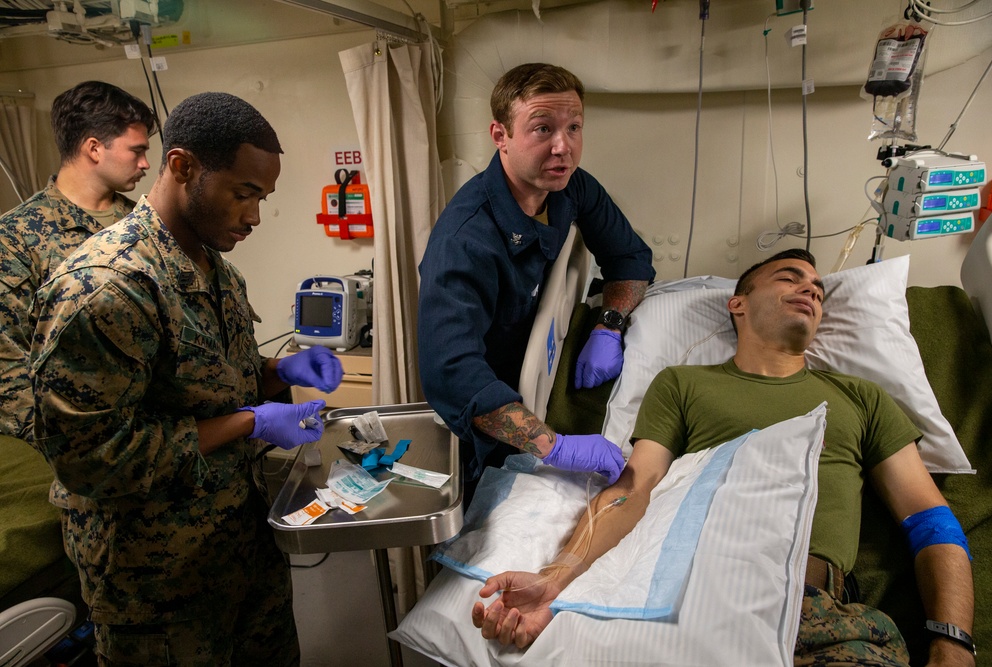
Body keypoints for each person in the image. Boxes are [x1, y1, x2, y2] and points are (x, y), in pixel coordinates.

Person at [471, 249, 976, 667]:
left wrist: (952, 643)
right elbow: (631, 489)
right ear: (737, 303)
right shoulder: (684, 385)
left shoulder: (860, 398)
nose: (812, 291)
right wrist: (555, 579)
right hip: (692, 603)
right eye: (790, 278)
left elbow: (931, 521)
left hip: (813, 615)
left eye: (819, 290)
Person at [31, 92, 343, 666]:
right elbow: (93, 459)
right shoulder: (108, 288)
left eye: (261, 198)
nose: (253, 216)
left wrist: (277, 373)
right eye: (243, 194)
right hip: (156, 583)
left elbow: (212, 381)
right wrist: (251, 422)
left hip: (240, 549)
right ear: (182, 167)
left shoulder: (214, 267)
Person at [417, 63, 655, 499]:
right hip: (493, 420)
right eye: (542, 129)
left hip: (548, 376)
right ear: (500, 136)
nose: (563, 147)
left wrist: (610, 324)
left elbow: (631, 258)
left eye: (574, 127)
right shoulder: (464, 241)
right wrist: (554, 446)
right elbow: (451, 372)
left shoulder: (572, 188)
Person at [0, 80, 158, 440]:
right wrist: (72, 445)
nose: (146, 163)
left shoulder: (149, 226)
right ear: (94, 148)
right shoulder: (16, 237)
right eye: (137, 150)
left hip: (159, 433)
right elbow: (7, 363)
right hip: (78, 441)